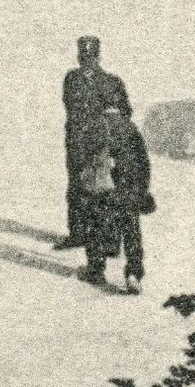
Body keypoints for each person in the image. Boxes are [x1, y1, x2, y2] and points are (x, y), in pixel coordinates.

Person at [61, 36, 132, 251]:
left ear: (98, 57)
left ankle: (103, 240)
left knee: (103, 190)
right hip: (77, 142)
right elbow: (70, 106)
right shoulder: (71, 79)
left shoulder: (113, 82)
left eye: (91, 57)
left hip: (101, 143)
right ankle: (77, 234)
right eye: (83, 57)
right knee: (75, 186)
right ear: (78, 56)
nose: (86, 61)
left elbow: (125, 111)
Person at [80, 107, 154, 294]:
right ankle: (133, 274)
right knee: (132, 232)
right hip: (128, 189)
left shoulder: (95, 127)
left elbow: (84, 161)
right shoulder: (131, 129)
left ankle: (96, 270)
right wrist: (142, 190)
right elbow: (144, 163)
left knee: (98, 227)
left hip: (104, 189)